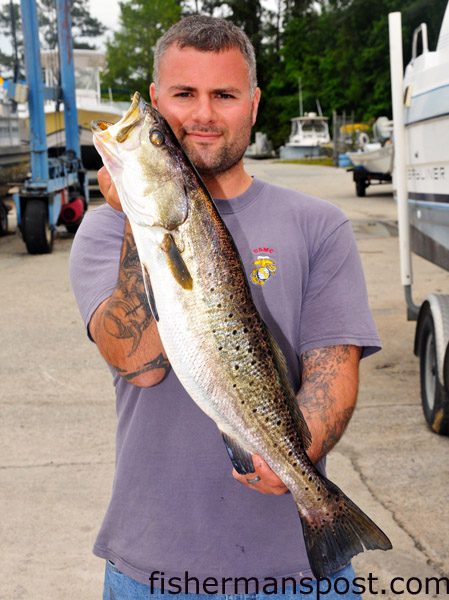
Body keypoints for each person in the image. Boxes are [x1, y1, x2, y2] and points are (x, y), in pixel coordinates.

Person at [69, 15, 381, 600]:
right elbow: (139, 364)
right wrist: (142, 225)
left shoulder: (320, 226)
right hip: (149, 571)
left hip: (299, 576)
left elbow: (333, 373)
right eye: (184, 95)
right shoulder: (105, 231)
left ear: (254, 104)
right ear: (157, 102)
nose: (204, 115)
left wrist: (296, 459)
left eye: (224, 95)